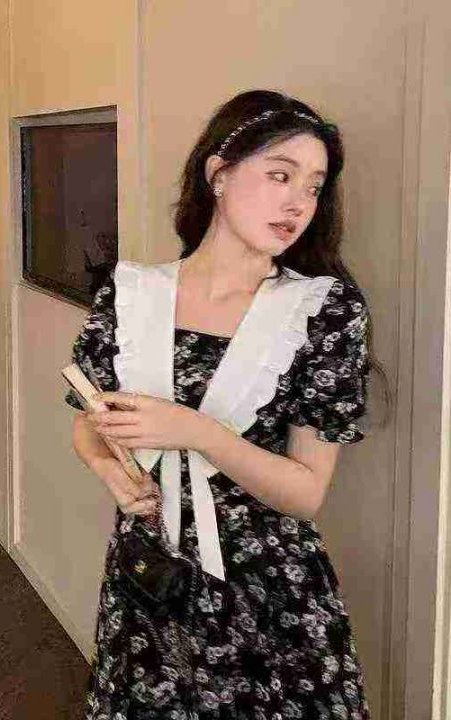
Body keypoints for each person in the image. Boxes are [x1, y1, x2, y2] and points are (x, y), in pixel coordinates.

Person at [66, 89, 389, 720]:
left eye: (315, 187)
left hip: (266, 592)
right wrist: (107, 467)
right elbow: (91, 420)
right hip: (150, 578)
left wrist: (197, 431)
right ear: (218, 172)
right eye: (280, 175)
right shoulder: (131, 294)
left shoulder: (321, 310)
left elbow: (306, 494)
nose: (298, 203)